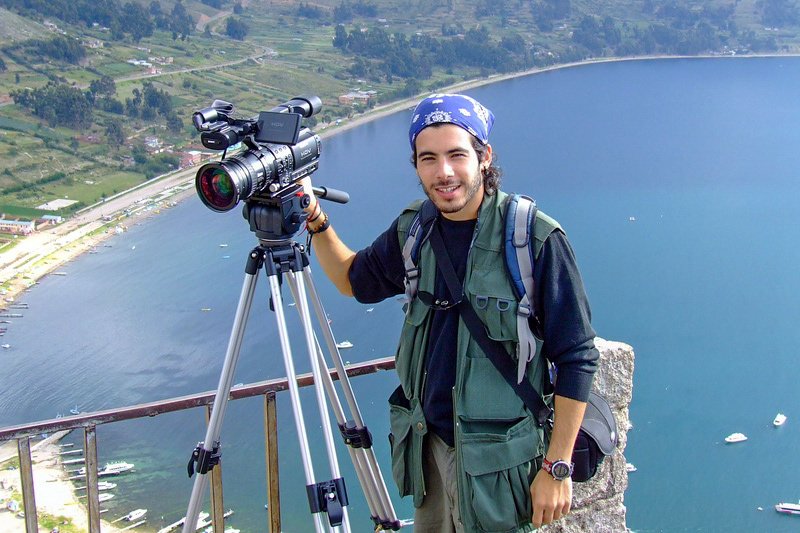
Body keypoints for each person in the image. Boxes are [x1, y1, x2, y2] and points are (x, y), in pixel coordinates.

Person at [301, 94, 598, 532]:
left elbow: (577, 357)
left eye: (457, 155)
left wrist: (557, 468)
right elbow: (353, 279)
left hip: (501, 466)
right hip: (431, 453)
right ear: (416, 165)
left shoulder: (533, 239)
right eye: (428, 158)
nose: (444, 172)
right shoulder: (414, 231)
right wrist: (315, 218)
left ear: (484, 157)